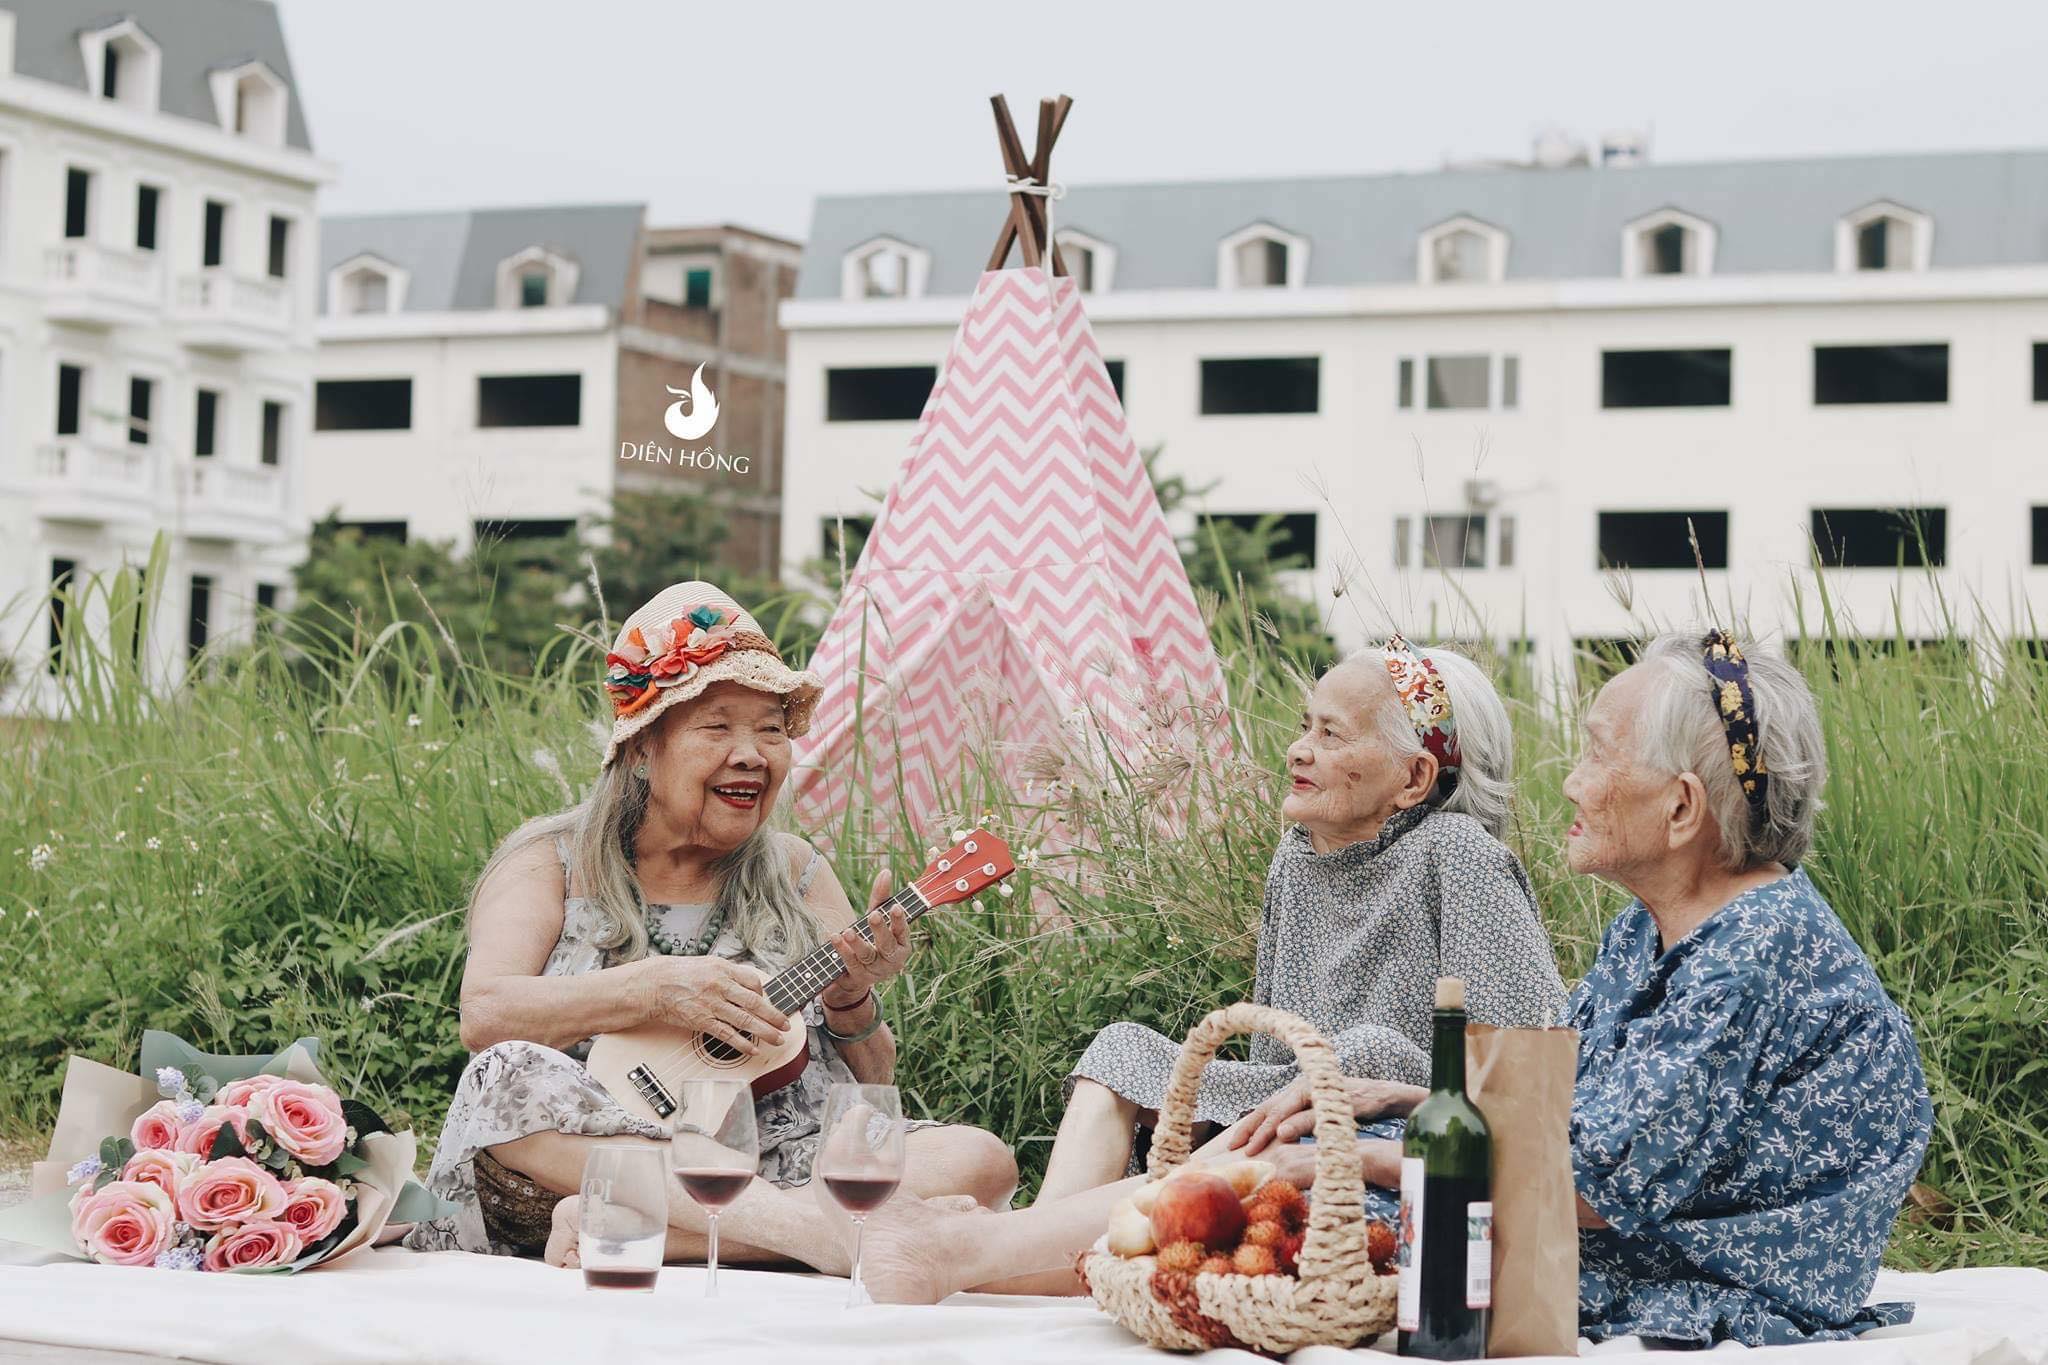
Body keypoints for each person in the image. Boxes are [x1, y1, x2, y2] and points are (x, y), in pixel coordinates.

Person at [1236, 629, 1934, 1346]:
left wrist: (1351, 1157)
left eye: (1599, 754)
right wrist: (1405, 1098)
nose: (1571, 782)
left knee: (1319, 1205)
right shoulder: (1649, 927)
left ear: (1681, 809)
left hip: (1693, 1270)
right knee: (1325, 1146)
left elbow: (1583, 1182)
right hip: (1612, 1228)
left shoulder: (1752, 955)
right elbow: (1571, 1115)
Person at [402, 582, 1017, 1267]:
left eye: (771, 729)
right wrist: (654, 989)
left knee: (980, 1159)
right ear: (643, 748)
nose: (752, 753)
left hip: (771, 1155)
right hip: (590, 1155)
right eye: (718, 727)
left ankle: (682, 1234)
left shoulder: (799, 871)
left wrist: (851, 1000)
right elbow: (486, 1015)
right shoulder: (551, 861)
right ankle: (814, 1237)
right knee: (501, 1075)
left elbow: (871, 1080)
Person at [1040, 635, 1566, 1206]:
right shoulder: (1297, 857)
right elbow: (1272, 1050)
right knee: (1121, 1048)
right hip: (1291, 1106)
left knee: (1362, 1048)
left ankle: (1121, 1223)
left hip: (1402, 1130)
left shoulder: (1460, 853)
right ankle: (1057, 1225)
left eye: (1331, 734)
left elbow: (1525, 1073)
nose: (1297, 750)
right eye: (1306, 726)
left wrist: (1369, 1066)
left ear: (1414, 778)